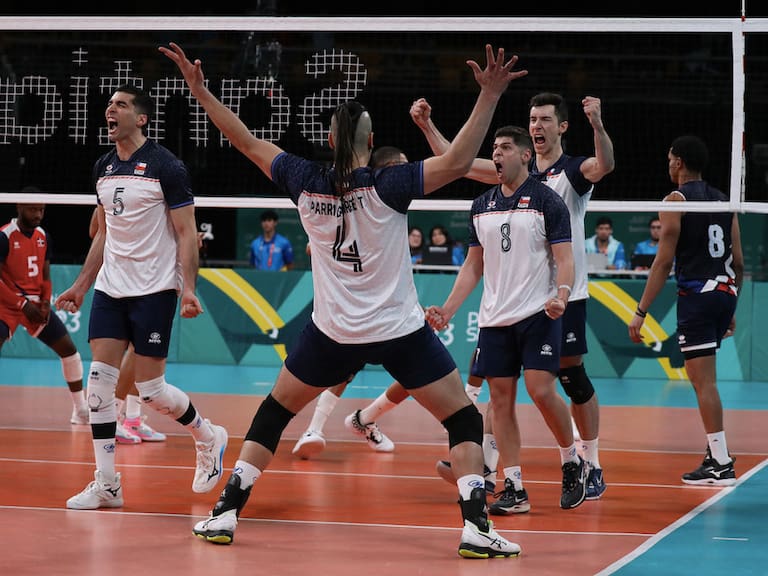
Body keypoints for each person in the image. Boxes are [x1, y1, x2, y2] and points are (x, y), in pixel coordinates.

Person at [161, 40, 526, 558]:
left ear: (328, 137)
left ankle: (224, 513)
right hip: (399, 331)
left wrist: (200, 91)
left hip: (332, 334)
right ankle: (475, 527)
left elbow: (243, 140)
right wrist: (488, 95)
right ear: (371, 140)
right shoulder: (390, 183)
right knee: (464, 420)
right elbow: (461, 159)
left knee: (273, 412)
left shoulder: (302, 178)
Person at [367, 91, 615, 509]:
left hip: (561, 294)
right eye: (531, 119)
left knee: (562, 381)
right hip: (504, 306)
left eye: (544, 120)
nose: (536, 126)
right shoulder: (491, 195)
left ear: (561, 127)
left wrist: (598, 125)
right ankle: (504, 475)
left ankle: (587, 460)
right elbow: (456, 160)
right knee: (502, 393)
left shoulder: (568, 176)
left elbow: (604, 164)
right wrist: (427, 126)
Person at [55, 83, 228, 510]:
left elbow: (188, 233)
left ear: (141, 118)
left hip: (154, 289)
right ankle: (107, 483)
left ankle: (208, 436)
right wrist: (81, 285)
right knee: (99, 387)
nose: (110, 109)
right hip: (111, 288)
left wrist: (189, 288)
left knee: (151, 392)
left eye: (121, 104)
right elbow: (103, 233)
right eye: (109, 104)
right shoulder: (103, 166)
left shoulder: (166, 167)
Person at [424, 126, 587, 512]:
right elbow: (472, 267)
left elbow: (566, 259)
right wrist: (448, 309)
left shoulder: (548, 202)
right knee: (500, 403)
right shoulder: (481, 205)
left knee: (541, 389)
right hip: (495, 318)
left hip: (539, 313)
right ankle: (513, 487)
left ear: (525, 156)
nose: (497, 154)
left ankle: (572, 461)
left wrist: (562, 296)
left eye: (505, 148)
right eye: (494, 148)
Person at [629, 135, 742, 486]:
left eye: (669, 159)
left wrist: (641, 311)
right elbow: (738, 261)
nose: (668, 164)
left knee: (702, 383)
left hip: (696, 295)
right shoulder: (725, 201)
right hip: (724, 291)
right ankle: (715, 452)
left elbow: (663, 263)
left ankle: (721, 462)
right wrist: (730, 305)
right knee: (706, 381)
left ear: (678, 162)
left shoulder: (674, 200)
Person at [292, 146, 409, 459]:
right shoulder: (358, 201)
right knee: (340, 371)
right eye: (402, 167)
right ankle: (313, 428)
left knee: (418, 376)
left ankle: (365, 419)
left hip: (392, 308)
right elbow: (314, 245)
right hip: (351, 310)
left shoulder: (391, 206)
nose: (408, 173)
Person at [0, 197, 88, 425]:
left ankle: (80, 410)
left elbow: (45, 275)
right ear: (19, 206)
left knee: (70, 351)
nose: (38, 214)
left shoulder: (43, 236)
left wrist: (46, 301)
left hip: (35, 305)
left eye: (41, 209)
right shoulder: (4, 235)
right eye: (32, 209)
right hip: (6, 304)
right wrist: (21, 304)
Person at [87, 207, 166, 444]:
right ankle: (116, 416)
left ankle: (131, 418)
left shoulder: (163, 189)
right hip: (123, 278)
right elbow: (95, 230)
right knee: (133, 351)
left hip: (153, 277)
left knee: (142, 352)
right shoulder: (115, 187)